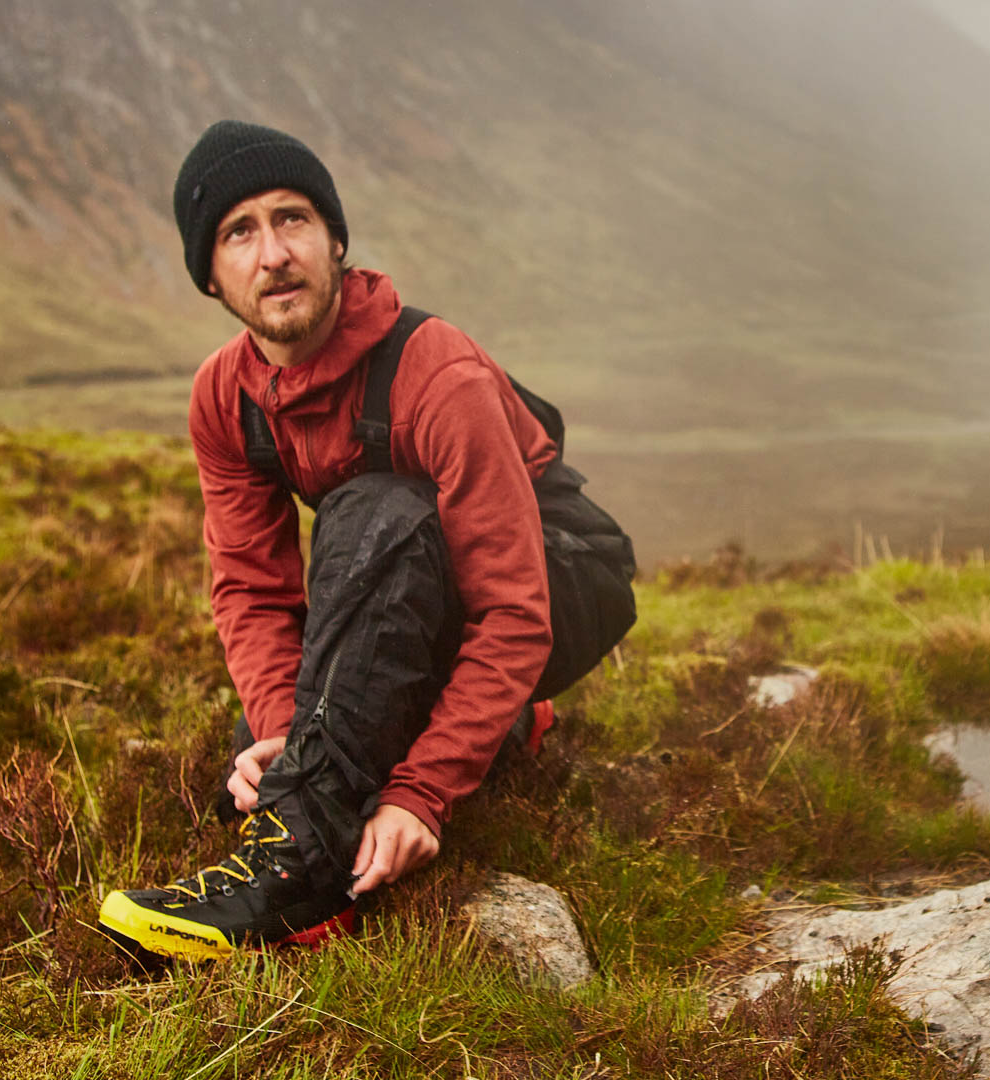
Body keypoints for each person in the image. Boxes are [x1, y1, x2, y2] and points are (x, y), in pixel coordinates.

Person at [98, 120, 635, 961]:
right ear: (210, 275)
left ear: (336, 240)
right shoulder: (223, 398)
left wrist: (421, 795)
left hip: (562, 578)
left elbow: (514, 612)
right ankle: (502, 728)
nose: (273, 253)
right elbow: (252, 589)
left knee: (373, 512)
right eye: (240, 232)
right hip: (426, 569)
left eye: (294, 219)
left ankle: (295, 889)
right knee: (260, 749)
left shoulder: (434, 371)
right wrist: (283, 733)